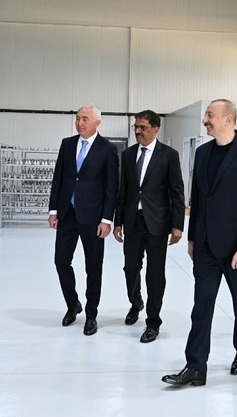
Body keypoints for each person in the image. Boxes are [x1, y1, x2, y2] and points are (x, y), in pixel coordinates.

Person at [162, 99, 237, 387]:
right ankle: (196, 365)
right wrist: (193, 237)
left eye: (210, 115)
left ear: (228, 119)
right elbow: (198, 198)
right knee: (202, 305)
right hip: (206, 244)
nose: (205, 120)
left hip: (236, 247)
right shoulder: (203, 152)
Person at [113, 110, 185, 344]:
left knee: (155, 274)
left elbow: (177, 191)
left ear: (156, 129)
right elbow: (123, 191)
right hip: (133, 221)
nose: (137, 131)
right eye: (135, 127)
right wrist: (118, 221)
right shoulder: (128, 155)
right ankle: (136, 303)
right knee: (130, 269)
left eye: (142, 127)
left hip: (158, 223)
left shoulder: (169, 155)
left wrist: (177, 225)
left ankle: (153, 322)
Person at [48, 104, 119, 336]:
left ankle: (91, 314)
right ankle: (73, 304)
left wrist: (107, 219)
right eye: (78, 118)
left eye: (85, 119)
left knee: (93, 267)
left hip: (93, 217)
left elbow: (111, 187)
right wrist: (53, 210)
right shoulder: (67, 144)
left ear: (97, 122)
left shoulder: (107, 149)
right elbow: (59, 178)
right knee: (61, 261)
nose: (80, 123)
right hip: (67, 214)